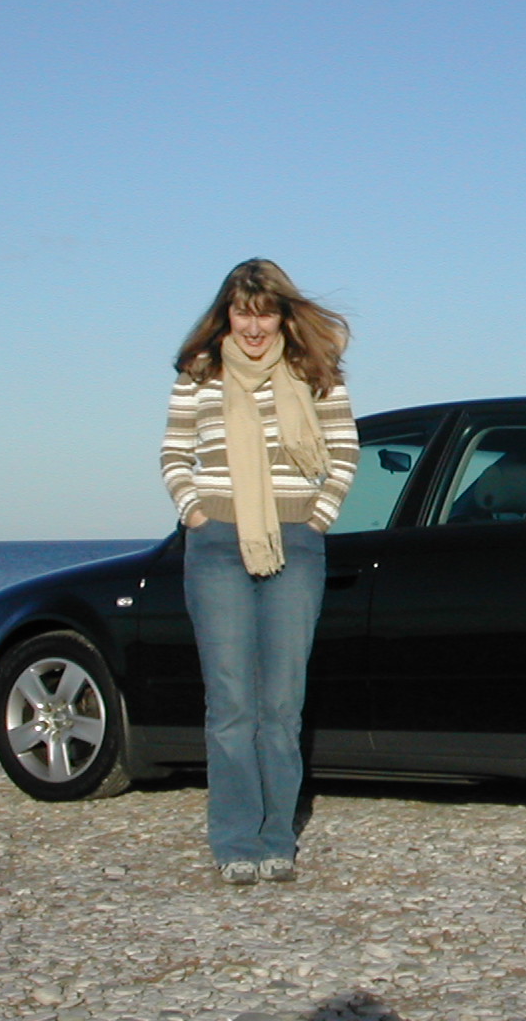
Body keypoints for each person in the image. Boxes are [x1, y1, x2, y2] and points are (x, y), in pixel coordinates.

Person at [160, 258, 358, 885]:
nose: (253, 326)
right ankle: (234, 840)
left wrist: (317, 517)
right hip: (216, 546)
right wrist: (195, 513)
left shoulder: (314, 371)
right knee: (230, 704)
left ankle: (277, 838)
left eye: (264, 313)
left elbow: (345, 450)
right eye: (243, 312)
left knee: (281, 704)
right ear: (226, 314)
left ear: (281, 315)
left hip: (295, 546)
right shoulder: (200, 373)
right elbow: (174, 453)